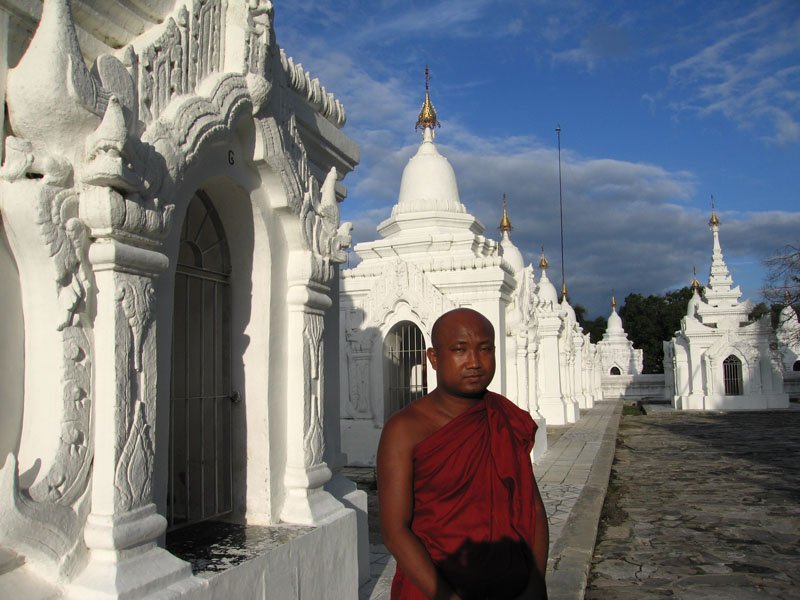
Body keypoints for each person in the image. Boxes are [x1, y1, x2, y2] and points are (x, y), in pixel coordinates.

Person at [377, 308, 549, 600]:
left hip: (510, 584)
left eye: (485, 350)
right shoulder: (405, 429)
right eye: (459, 350)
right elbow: (395, 531)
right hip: (435, 585)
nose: (474, 362)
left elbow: (531, 508)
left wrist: (535, 582)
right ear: (434, 358)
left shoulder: (504, 417)